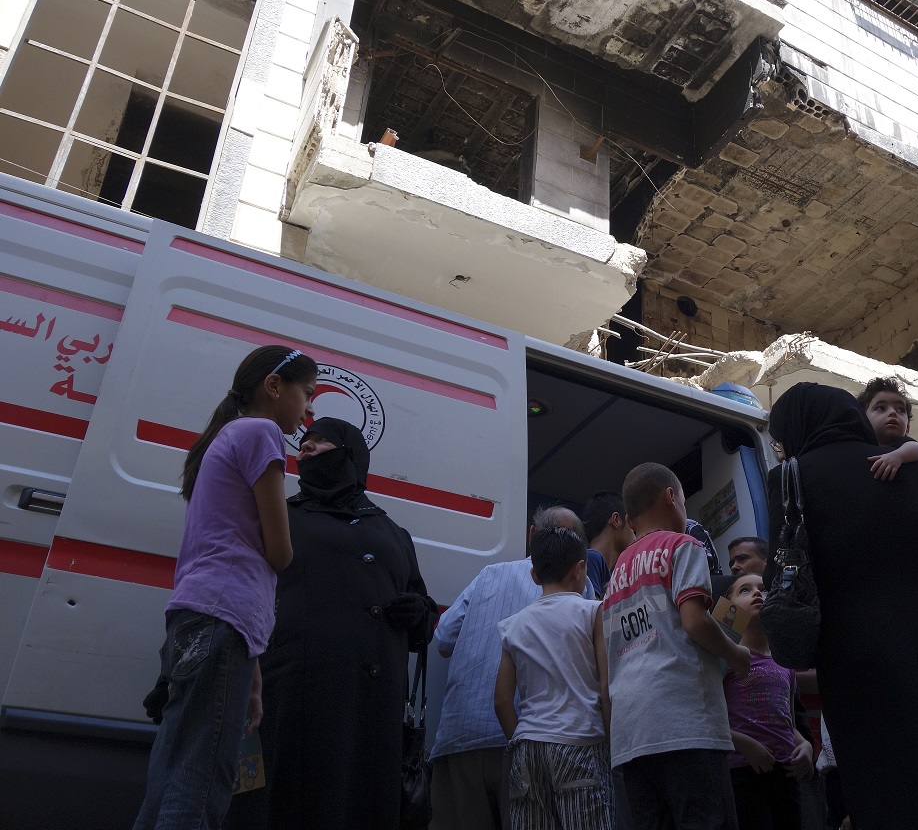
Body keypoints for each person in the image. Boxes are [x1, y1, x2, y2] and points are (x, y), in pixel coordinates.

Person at [767, 382, 918, 830]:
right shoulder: (904, 464)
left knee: (890, 779)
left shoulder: (791, 478)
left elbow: (782, 575)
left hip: (856, 653)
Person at [133, 346, 317, 830]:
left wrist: (252, 672)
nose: (309, 409)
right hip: (222, 614)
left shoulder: (225, 437)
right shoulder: (262, 433)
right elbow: (279, 553)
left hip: (200, 614)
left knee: (173, 772)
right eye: (306, 393)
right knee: (202, 780)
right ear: (275, 387)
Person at [224, 418, 437, 830]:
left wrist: (419, 613)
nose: (306, 449)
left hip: (370, 710)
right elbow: (236, 590)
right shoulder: (280, 517)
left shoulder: (393, 533)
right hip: (292, 695)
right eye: (303, 443)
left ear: (351, 455)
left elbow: (423, 620)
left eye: (320, 443)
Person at [603, 463, 751, 830]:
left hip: (631, 734)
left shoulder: (616, 573)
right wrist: (736, 655)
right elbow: (695, 620)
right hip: (684, 724)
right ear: (672, 497)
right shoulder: (682, 545)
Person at [430, 506, 591, 830]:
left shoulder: (489, 574)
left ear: (532, 537)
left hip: (459, 738)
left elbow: (444, 638)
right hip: (530, 746)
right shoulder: (580, 591)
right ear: (580, 562)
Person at [494, 523, 613, 830]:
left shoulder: (513, 625)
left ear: (534, 575)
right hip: (580, 744)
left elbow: (503, 701)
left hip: (528, 747)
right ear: (580, 569)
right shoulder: (593, 612)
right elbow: (607, 687)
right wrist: (612, 745)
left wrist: (522, 739)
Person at [718, 573, 814, 830]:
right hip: (741, 771)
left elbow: (787, 722)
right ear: (729, 606)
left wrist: (805, 745)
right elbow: (706, 715)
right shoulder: (723, 658)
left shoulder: (785, 664)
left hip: (785, 773)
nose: (758, 593)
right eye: (745, 591)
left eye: (764, 589)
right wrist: (746, 745)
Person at [856, 377, 918, 478]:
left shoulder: (902, 444)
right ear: (863, 418)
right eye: (881, 408)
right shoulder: (858, 446)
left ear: (907, 427)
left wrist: (898, 456)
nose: (893, 412)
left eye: (900, 410)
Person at [583, 491, 633, 599]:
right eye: (630, 522)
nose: (635, 530)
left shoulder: (616, 574)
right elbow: (591, 614)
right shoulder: (591, 559)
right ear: (616, 520)